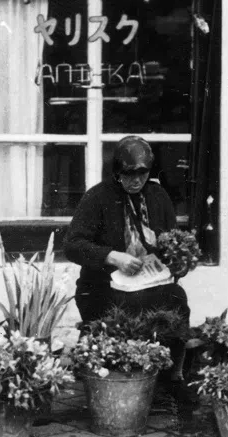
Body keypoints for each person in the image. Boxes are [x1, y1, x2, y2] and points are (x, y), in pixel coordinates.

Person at [65, 135, 192, 381]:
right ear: (117, 172)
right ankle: (115, 376)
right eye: (129, 175)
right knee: (120, 311)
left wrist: (178, 262)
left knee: (177, 298)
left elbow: (171, 240)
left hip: (149, 283)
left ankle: (171, 375)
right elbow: (72, 245)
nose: (136, 181)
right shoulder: (97, 197)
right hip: (104, 285)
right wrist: (112, 257)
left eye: (142, 175)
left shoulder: (158, 196)